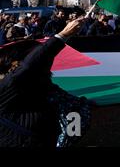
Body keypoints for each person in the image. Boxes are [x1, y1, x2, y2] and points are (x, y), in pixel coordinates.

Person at [0, 17, 89, 147]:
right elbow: (29, 66)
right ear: (14, 64)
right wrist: (62, 35)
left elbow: (76, 116)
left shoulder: (46, 87)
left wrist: (67, 140)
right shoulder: (7, 87)